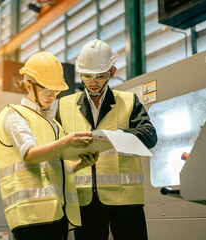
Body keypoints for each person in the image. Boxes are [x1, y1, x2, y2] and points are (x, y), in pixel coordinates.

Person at [56, 39, 158, 240]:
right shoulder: (64, 105)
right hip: (84, 203)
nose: (93, 82)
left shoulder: (128, 101)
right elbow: (56, 150)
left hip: (126, 202)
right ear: (80, 74)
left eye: (100, 76)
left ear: (112, 72)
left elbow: (150, 136)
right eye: (88, 76)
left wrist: (116, 137)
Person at [0, 52, 98, 240]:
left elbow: (53, 170)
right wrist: (67, 141)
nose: (52, 96)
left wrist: (81, 164)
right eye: (46, 90)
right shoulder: (14, 115)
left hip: (57, 215)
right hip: (30, 217)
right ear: (28, 85)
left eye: (55, 91)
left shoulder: (53, 124)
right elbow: (30, 155)